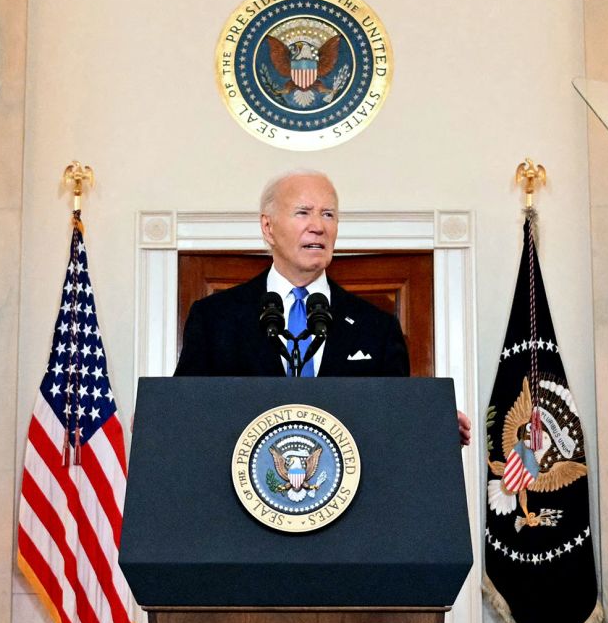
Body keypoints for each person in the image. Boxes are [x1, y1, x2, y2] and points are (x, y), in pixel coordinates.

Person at [175, 170, 472, 444]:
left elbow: (391, 425)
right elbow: (187, 416)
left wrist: (431, 427)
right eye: (303, 213)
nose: (318, 227)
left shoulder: (377, 327)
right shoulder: (215, 319)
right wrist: (162, 417)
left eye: (328, 214)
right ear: (268, 227)